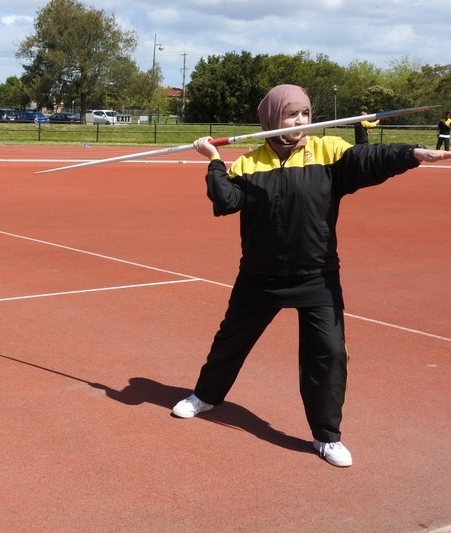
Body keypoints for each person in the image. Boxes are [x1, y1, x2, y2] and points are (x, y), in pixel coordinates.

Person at [172, 84, 451, 468]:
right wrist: (215, 160)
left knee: (328, 353)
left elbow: (371, 159)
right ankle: (205, 396)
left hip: (317, 276)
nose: (300, 122)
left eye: (305, 114)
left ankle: (326, 436)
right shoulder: (249, 164)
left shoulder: (328, 152)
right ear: (271, 119)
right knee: (229, 342)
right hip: (259, 277)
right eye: (291, 115)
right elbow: (226, 202)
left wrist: (412, 154)